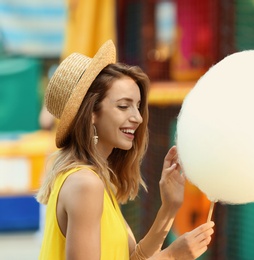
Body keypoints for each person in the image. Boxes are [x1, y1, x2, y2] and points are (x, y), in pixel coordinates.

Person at [36, 40, 214, 260]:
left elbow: (133, 257)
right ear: (91, 112)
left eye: (137, 106)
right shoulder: (85, 184)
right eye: (123, 106)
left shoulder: (95, 179)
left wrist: (169, 208)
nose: (138, 118)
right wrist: (172, 256)